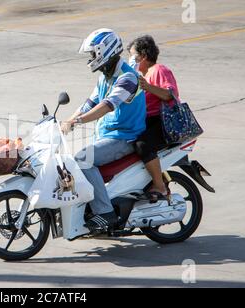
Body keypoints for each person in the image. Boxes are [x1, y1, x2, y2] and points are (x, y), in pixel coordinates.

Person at [61, 29, 146, 231]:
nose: (90, 59)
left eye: (92, 54)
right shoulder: (105, 76)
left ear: (104, 51)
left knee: (83, 159)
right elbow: (90, 103)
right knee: (71, 159)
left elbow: (107, 105)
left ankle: (105, 212)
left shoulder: (127, 77)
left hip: (124, 137)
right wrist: (67, 121)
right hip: (108, 135)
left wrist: (78, 121)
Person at [127, 35, 180, 202]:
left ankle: (159, 185)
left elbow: (170, 95)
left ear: (143, 56)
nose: (130, 59)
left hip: (162, 122)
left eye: (133, 55)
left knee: (142, 145)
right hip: (146, 122)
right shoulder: (139, 75)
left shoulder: (158, 70)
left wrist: (147, 86)